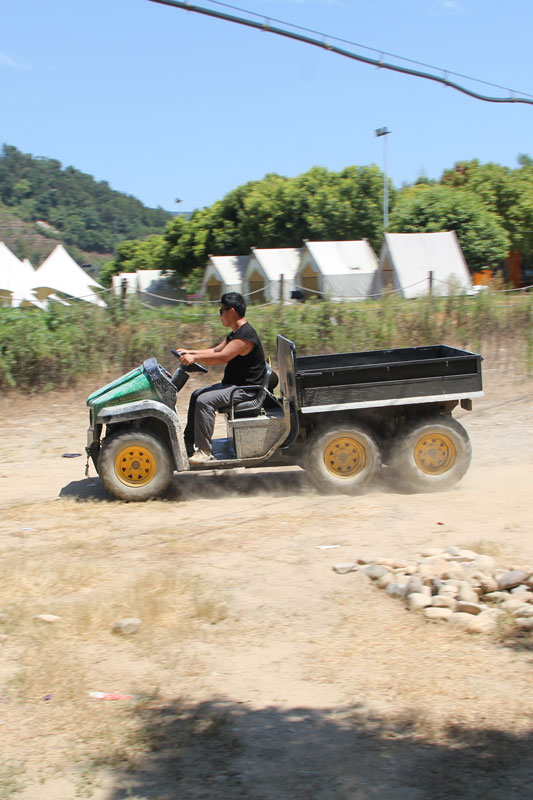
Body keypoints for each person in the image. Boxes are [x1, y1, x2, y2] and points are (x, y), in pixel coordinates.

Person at [178, 292, 266, 465]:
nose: (220, 315)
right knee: (196, 395)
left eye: (221, 311)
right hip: (234, 386)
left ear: (232, 312)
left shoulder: (245, 336)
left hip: (246, 391)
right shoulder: (236, 333)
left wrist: (194, 358)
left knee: (204, 401)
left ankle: (204, 451)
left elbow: (221, 358)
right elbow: (216, 351)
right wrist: (189, 352)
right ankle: (188, 443)